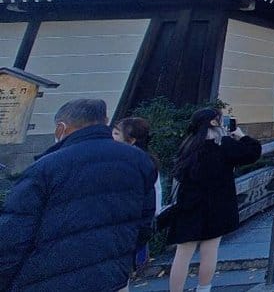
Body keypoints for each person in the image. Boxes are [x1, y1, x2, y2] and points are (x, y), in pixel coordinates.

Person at [0, 98, 157, 292]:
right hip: (111, 275)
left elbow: (14, 235)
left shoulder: (45, 168)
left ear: (61, 128)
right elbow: (145, 222)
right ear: (105, 121)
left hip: (48, 277)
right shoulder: (139, 160)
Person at [166, 108, 262, 292]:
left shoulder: (188, 145)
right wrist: (241, 136)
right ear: (213, 122)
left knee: (183, 252)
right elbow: (253, 153)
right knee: (209, 250)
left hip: (189, 203)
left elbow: (178, 174)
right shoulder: (223, 144)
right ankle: (203, 288)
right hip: (217, 204)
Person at [112, 117, 163, 272]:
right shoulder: (142, 160)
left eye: (116, 133)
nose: (111, 137)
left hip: (133, 224)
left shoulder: (140, 163)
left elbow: (154, 192)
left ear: (131, 140)